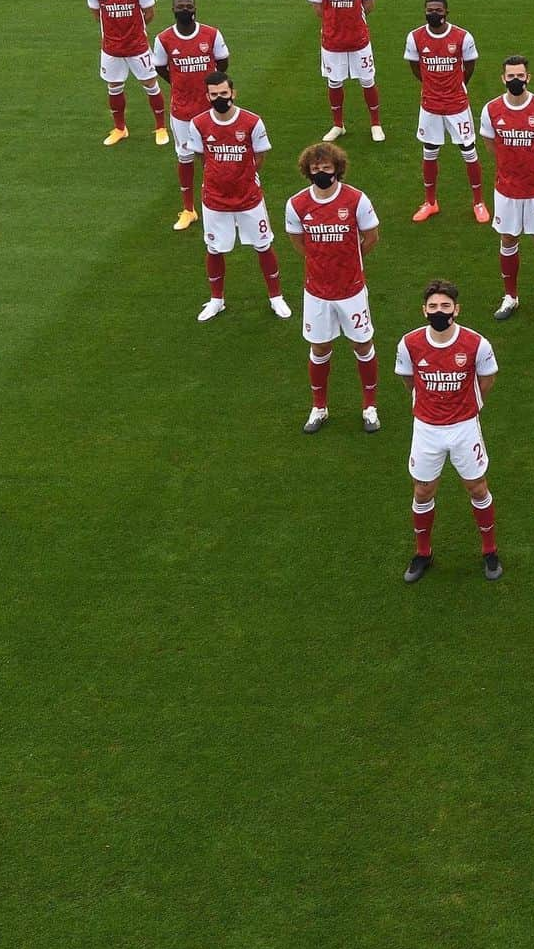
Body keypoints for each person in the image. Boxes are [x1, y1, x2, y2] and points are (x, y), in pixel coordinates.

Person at [395, 280, 502, 583]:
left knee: (477, 487)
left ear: (457, 309)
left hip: (464, 428)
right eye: (433, 307)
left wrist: (472, 406)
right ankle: (423, 553)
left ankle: (490, 550)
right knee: (423, 490)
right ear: (424, 310)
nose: (438, 311)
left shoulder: (476, 344)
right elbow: (408, 381)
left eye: (444, 306)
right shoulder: (410, 344)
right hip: (426, 429)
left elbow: (488, 378)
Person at [286, 143, 382, 435]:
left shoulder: (356, 200)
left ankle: (369, 406)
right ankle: (319, 407)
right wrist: (320, 262)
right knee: (319, 347)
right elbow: (297, 240)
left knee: (362, 345)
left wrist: (349, 261)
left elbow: (371, 237)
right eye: (315, 169)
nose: (321, 173)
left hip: (352, 290)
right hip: (316, 292)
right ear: (308, 171)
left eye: (326, 168)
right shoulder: (297, 204)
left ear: (337, 168)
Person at [184, 72, 290, 322]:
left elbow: (260, 158)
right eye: (214, 95)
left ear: (233, 93)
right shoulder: (198, 124)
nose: (219, 98)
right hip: (214, 200)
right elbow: (201, 158)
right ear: (207, 96)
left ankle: (276, 297)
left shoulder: (252, 122)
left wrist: (242, 176)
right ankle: (216, 300)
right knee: (214, 249)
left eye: (223, 93)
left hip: (249, 198)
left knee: (263, 245)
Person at [479, 55, 534, 323]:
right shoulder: (491, 110)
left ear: (528, 78)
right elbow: (489, 142)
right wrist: (509, 166)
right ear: (502, 78)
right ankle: (510, 296)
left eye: (520, 76)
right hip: (506, 191)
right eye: (510, 76)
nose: (515, 80)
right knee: (507, 239)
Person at [404, 0, 489, 223]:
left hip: (457, 105)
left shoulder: (462, 36)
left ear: (446, 12)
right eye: (430, 9)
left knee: (468, 151)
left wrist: (457, 85)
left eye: (438, 10)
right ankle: (430, 202)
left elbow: (470, 65)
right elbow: (415, 67)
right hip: (430, 106)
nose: (434, 13)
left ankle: (479, 202)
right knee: (430, 152)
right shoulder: (415, 37)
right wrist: (430, 86)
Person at [153, 0, 230, 230]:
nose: (184, 9)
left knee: (214, 155)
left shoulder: (211, 34)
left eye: (188, 6)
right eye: (180, 6)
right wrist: (179, 83)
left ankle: (219, 203)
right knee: (185, 157)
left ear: (195, 8)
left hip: (211, 110)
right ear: (173, 10)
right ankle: (188, 209)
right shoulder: (164, 38)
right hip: (182, 111)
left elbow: (222, 63)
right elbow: (160, 67)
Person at [85, 0, 168, 146]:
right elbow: (97, 15)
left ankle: (161, 127)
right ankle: (120, 128)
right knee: (114, 87)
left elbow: (149, 13)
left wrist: (133, 30)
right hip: (111, 49)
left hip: (137, 46)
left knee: (150, 84)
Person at [307, 0, 384, 144]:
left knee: (367, 80)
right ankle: (338, 125)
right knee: (334, 82)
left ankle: (375, 124)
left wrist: (350, 19)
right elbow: (317, 8)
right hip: (332, 41)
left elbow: (369, 5)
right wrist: (335, 21)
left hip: (359, 40)